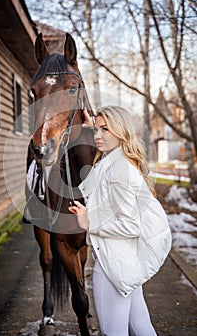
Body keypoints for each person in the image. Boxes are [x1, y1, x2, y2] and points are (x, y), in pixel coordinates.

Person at [69, 106, 172, 336]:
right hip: (124, 262)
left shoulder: (119, 169)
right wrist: (90, 128)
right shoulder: (116, 160)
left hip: (112, 266)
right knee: (142, 328)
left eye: (105, 129)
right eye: (96, 129)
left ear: (121, 130)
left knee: (113, 331)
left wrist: (89, 222)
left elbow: (130, 224)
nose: (97, 135)